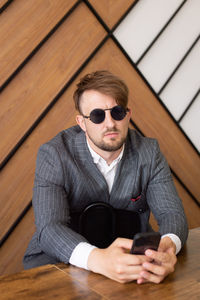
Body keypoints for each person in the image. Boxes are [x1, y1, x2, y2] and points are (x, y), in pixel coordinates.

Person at [24, 70, 188, 284]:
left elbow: (172, 213)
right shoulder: (54, 155)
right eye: (97, 115)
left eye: (117, 112)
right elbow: (50, 228)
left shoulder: (149, 152)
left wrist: (167, 248)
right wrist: (98, 260)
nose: (110, 123)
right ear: (82, 122)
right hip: (59, 264)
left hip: (131, 265)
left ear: (128, 114)